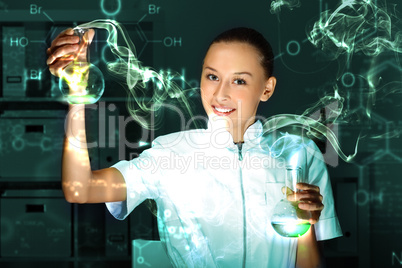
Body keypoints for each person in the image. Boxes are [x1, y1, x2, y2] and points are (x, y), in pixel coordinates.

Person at [47, 26, 342, 267]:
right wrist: (77, 92)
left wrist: (305, 227)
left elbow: (310, 263)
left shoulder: (299, 153)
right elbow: (80, 189)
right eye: (212, 76)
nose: (220, 94)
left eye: (239, 81)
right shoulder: (170, 154)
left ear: (267, 88)